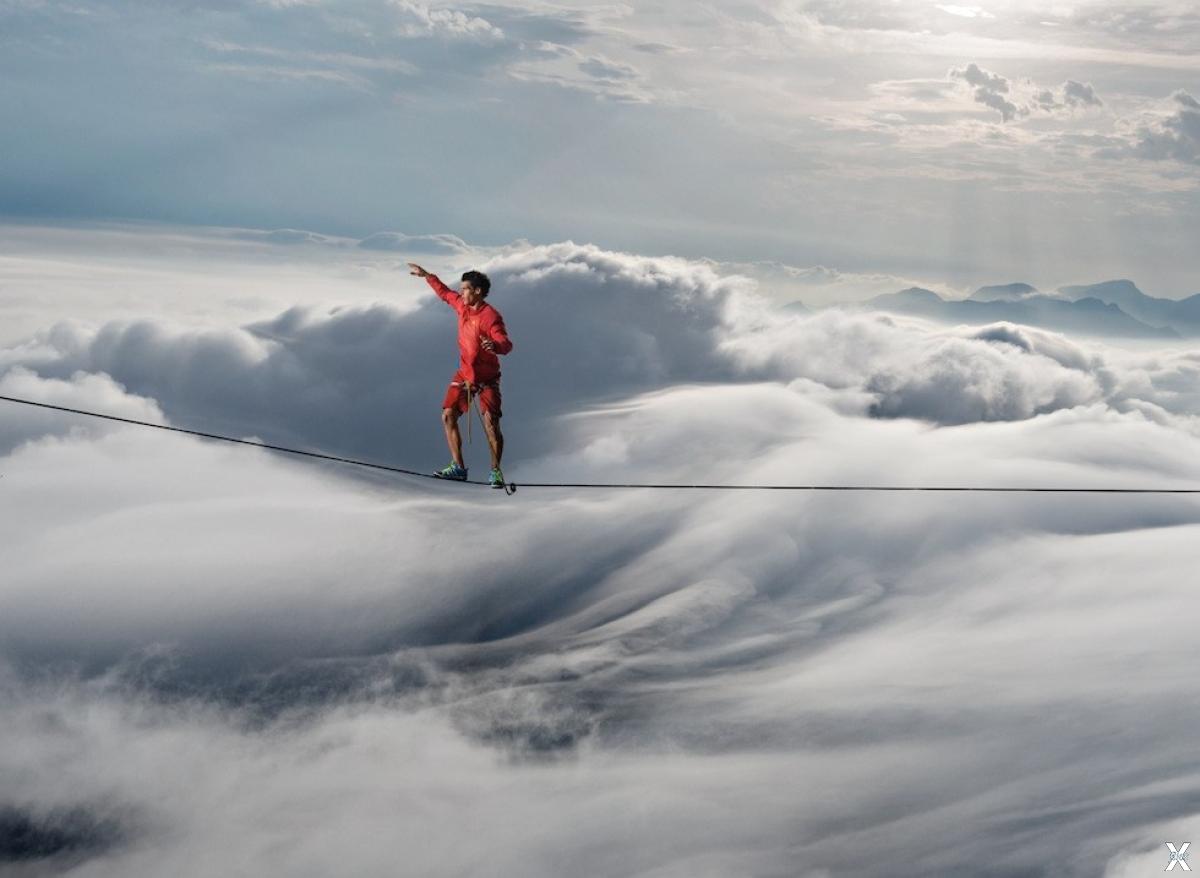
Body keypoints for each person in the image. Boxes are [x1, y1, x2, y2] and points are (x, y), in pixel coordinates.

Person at [407, 262, 513, 488]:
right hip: (465, 375)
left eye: (465, 288)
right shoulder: (462, 306)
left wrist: (495, 346)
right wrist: (427, 275)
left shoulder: (490, 316)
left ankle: (495, 472)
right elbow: (445, 293)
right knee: (448, 415)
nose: (461, 291)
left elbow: (506, 343)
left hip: (487, 380)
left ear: (477, 291)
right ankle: (458, 467)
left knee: (491, 424)